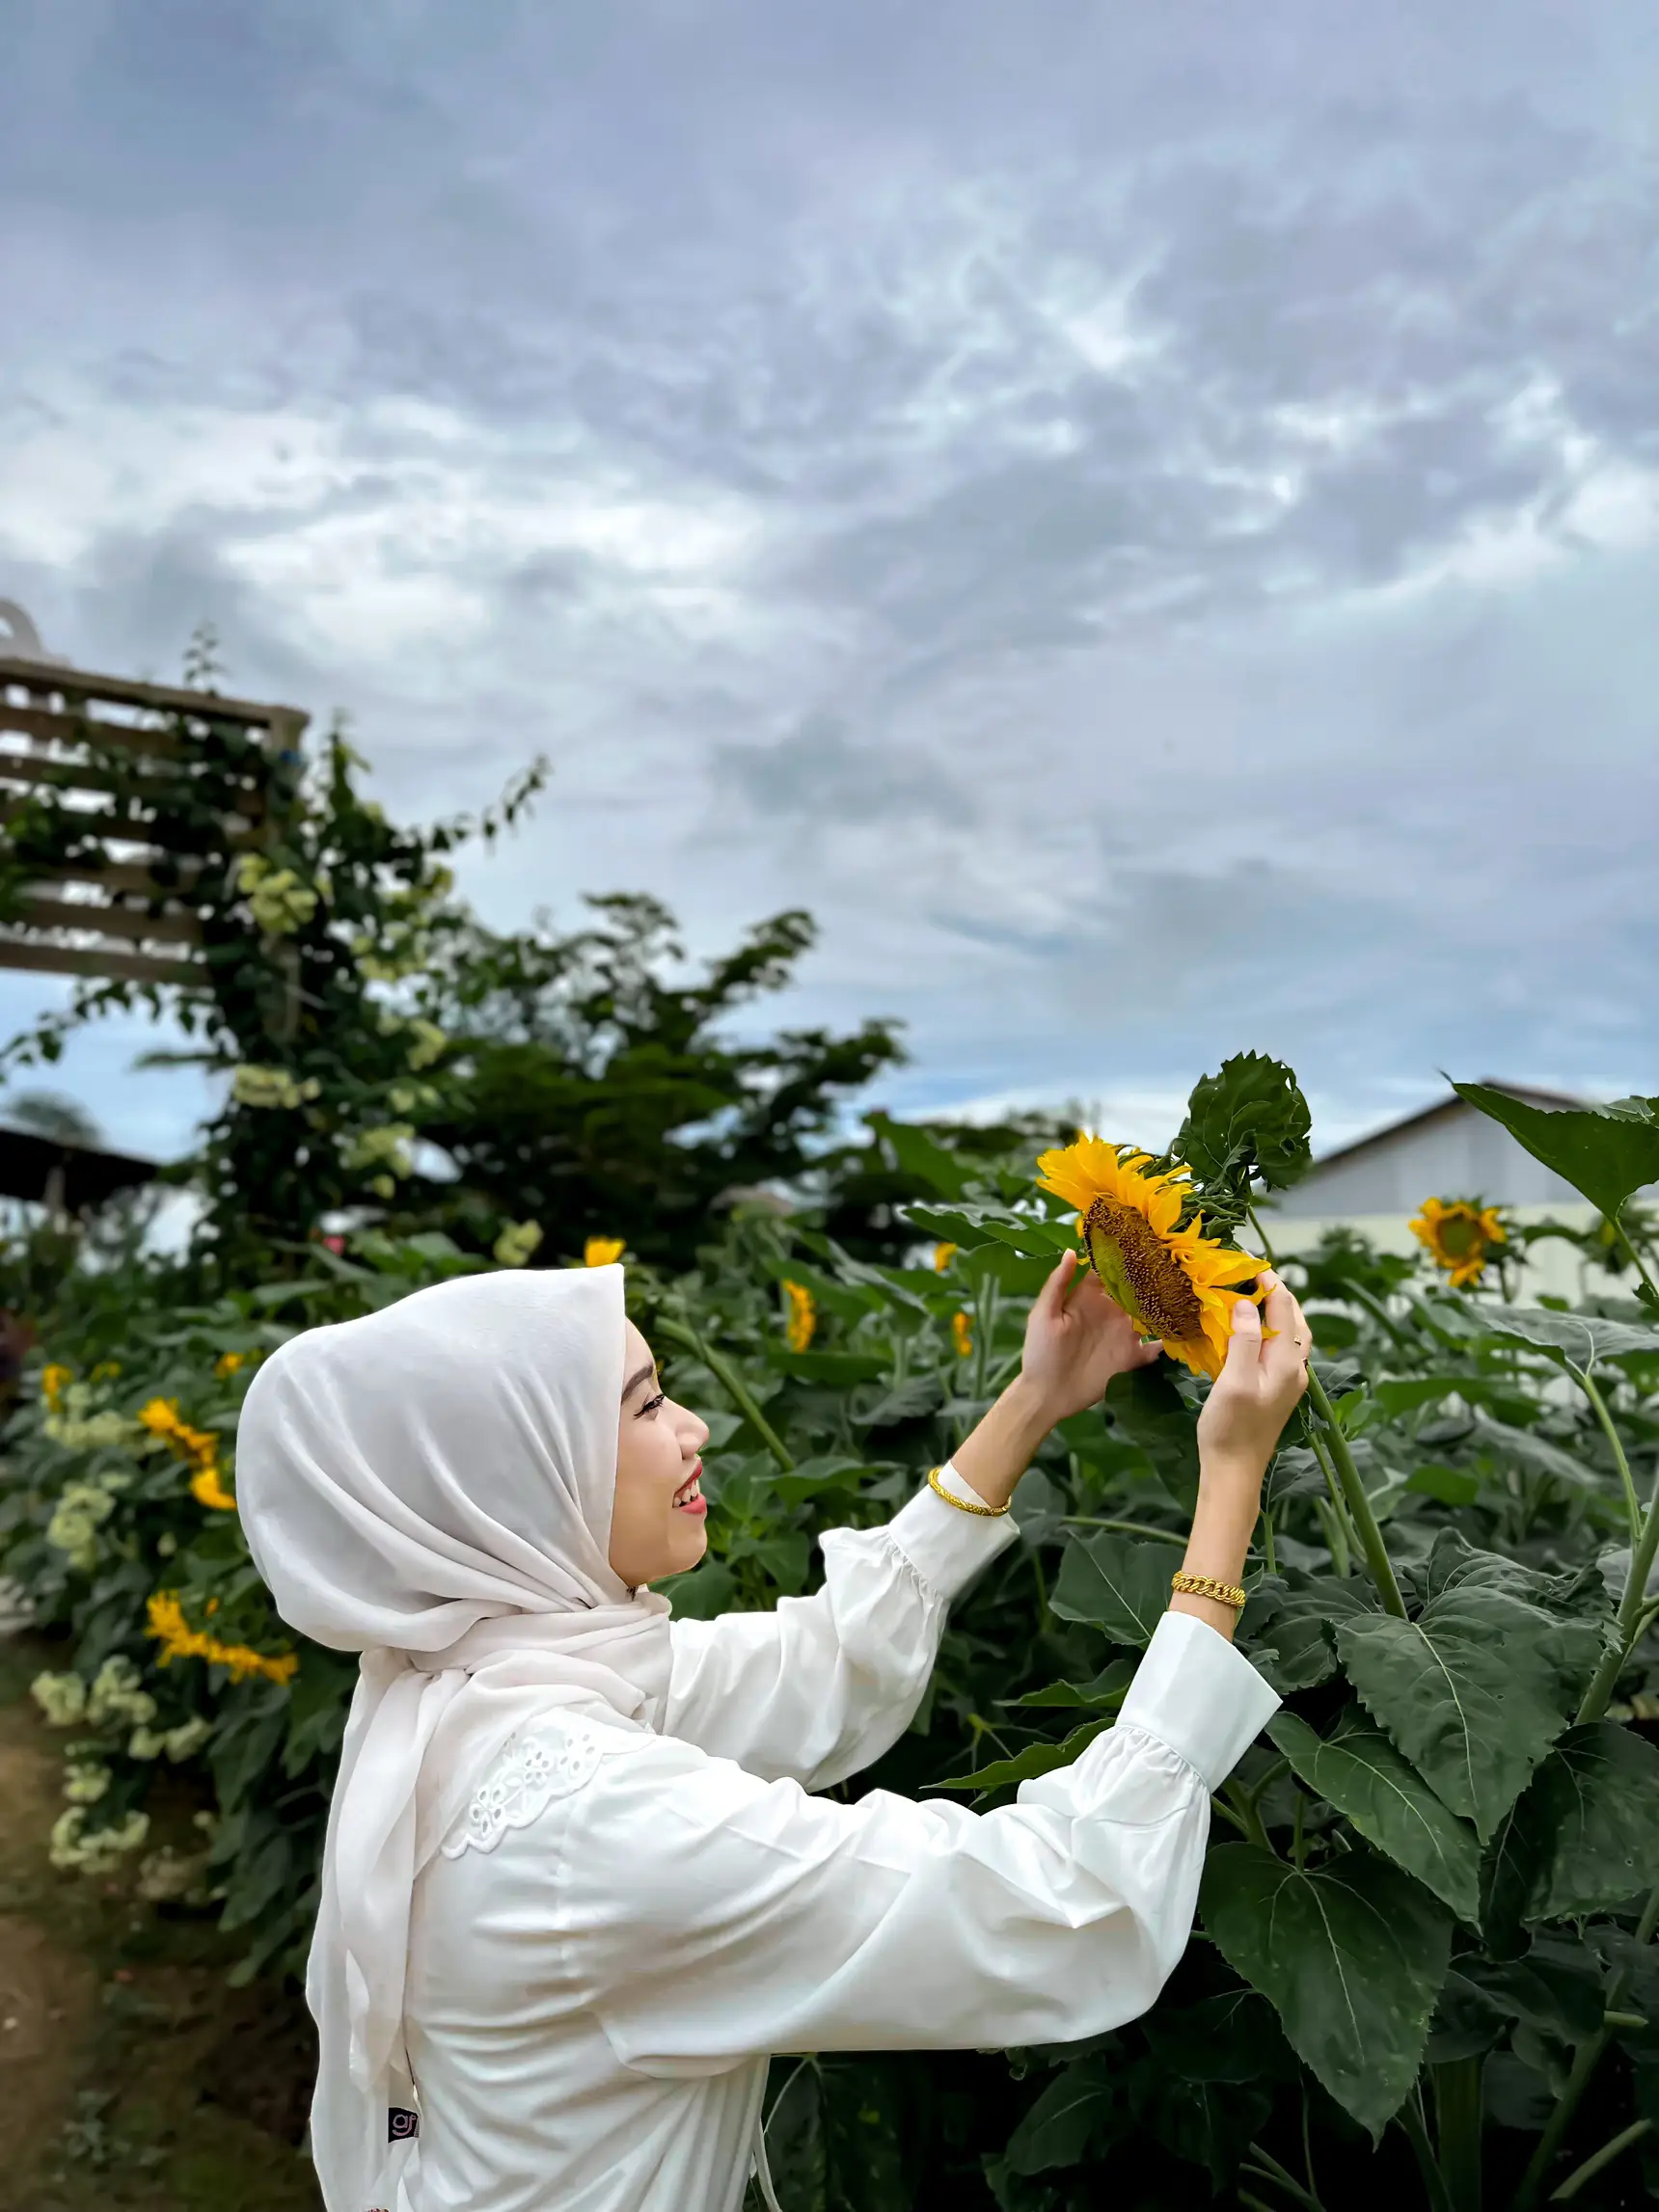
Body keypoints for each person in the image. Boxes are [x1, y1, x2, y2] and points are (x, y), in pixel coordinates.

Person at [235, 1250, 1312, 2212]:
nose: (692, 1425)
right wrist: (1229, 1486)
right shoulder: (592, 1824)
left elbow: (818, 1660)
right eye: (646, 1402)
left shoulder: (477, 1681)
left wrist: (1037, 1395)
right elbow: (1059, 1898)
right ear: (521, 1481)